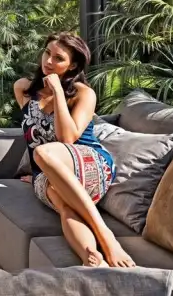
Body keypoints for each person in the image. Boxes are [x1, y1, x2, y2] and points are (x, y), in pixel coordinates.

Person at [13, 32, 134, 268]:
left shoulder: (83, 93)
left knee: (44, 153)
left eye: (58, 58)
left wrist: (58, 92)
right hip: (48, 174)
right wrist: (39, 171)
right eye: (47, 53)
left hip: (88, 165)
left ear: (73, 66)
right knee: (63, 205)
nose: (49, 61)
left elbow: (66, 139)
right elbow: (33, 131)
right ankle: (90, 255)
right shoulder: (23, 88)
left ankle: (106, 236)